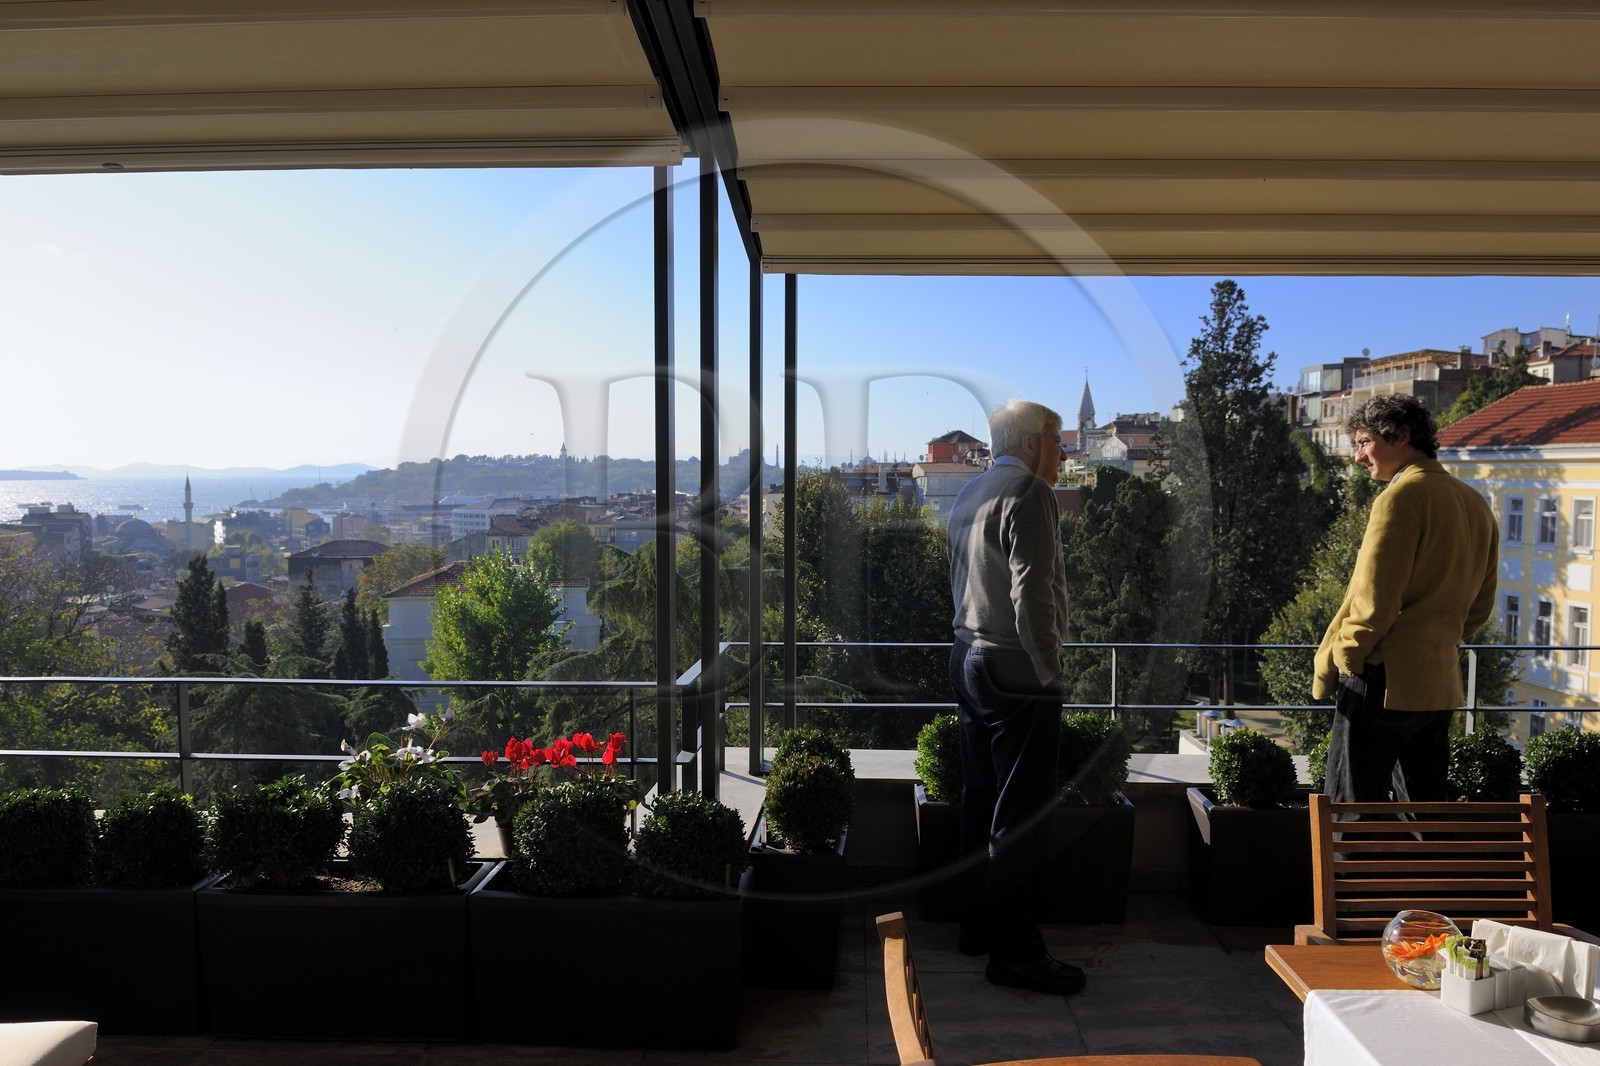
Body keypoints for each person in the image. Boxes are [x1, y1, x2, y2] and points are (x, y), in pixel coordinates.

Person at [946, 397, 1083, 995]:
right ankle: (1016, 955)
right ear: (1030, 445)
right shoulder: (1030, 494)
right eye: (1057, 442)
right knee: (1022, 816)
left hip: (967, 657)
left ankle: (977, 926)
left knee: (981, 800)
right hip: (1014, 666)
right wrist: (1048, 671)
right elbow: (1034, 595)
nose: (1063, 453)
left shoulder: (968, 492)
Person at [1314, 394, 1498, 804]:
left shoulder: (1400, 497)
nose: (1358, 457)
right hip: (1439, 682)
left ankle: (1348, 873)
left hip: (1383, 678)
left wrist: (1348, 657)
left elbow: (1374, 601)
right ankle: (1428, 872)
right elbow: (1481, 606)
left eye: (1363, 442)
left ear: (1400, 435)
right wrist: (1434, 638)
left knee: (1351, 808)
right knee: (1425, 811)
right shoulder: (1475, 503)